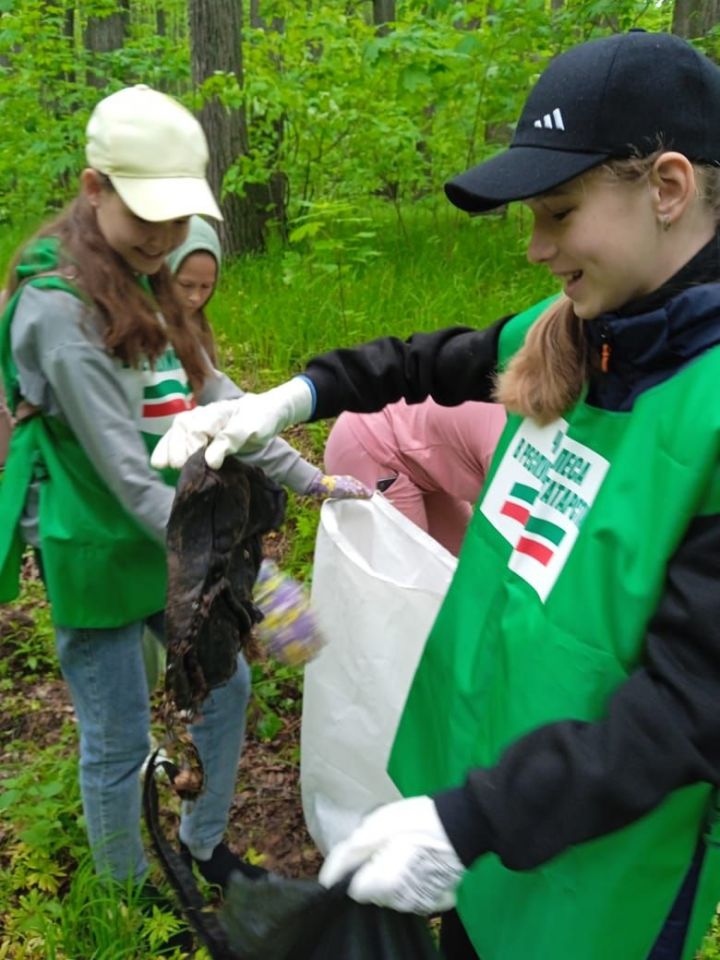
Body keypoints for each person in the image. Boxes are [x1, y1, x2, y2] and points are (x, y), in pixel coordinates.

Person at [151, 30, 720, 960]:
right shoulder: (577, 332)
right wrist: (291, 399)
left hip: (600, 870)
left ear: (667, 188)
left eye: (559, 212)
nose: (536, 248)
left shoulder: (705, 406)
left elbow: (689, 708)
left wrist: (469, 820)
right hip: (484, 811)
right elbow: (424, 361)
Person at [0, 83, 367, 945]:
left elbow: (222, 406)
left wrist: (312, 483)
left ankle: (201, 850)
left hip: (174, 543)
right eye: (147, 220)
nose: (165, 241)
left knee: (227, 691)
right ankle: (132, 899)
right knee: (119, 737)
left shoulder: (148, 280)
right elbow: (127, 477)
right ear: (94, 190)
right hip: (103, 549)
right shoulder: (59, 310)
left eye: (177, 222)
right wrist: (255, 578)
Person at [324, 399, 506, 555]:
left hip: (423, 456)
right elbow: (508, 542)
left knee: (463, 563)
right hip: (370, 448)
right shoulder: (507, 447)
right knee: (410, 575)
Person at [167, 213, 222, 366]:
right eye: (186, 285)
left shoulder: (201, 329)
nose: (195, 297)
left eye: (206, 286)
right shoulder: (140, 324)